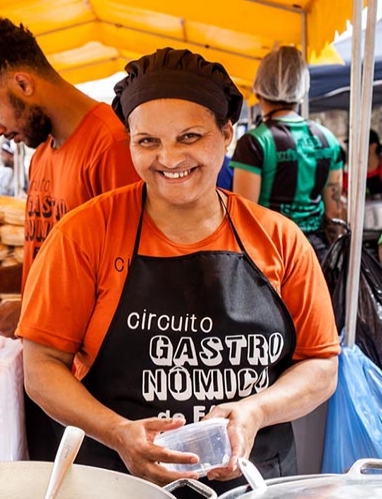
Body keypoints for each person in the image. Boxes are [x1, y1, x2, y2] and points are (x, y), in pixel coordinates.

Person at [17, 47, 340, 493]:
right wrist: (116, 431)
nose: (169, 158)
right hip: (119, 482)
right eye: (147, 141)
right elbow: (41, 367)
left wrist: (258, 410)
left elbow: (321, 364)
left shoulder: (279, 238)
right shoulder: (84, 234)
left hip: (253, 480)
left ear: (226, 134)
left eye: (189, 137)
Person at [0, 16, 140, 463]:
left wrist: (30, 313)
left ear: (23, 83)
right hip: (48, 379)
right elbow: (57, 259)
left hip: (97, 394)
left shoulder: (112, 145)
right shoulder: (42, 154)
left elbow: (126, 281)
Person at [231, 46, 343, 262]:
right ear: (302, 90)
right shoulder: (328, 139)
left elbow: (245, 217)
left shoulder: (255, 142)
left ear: (259, 89)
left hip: (270, 253)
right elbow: (334, 212)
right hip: (315, 253)